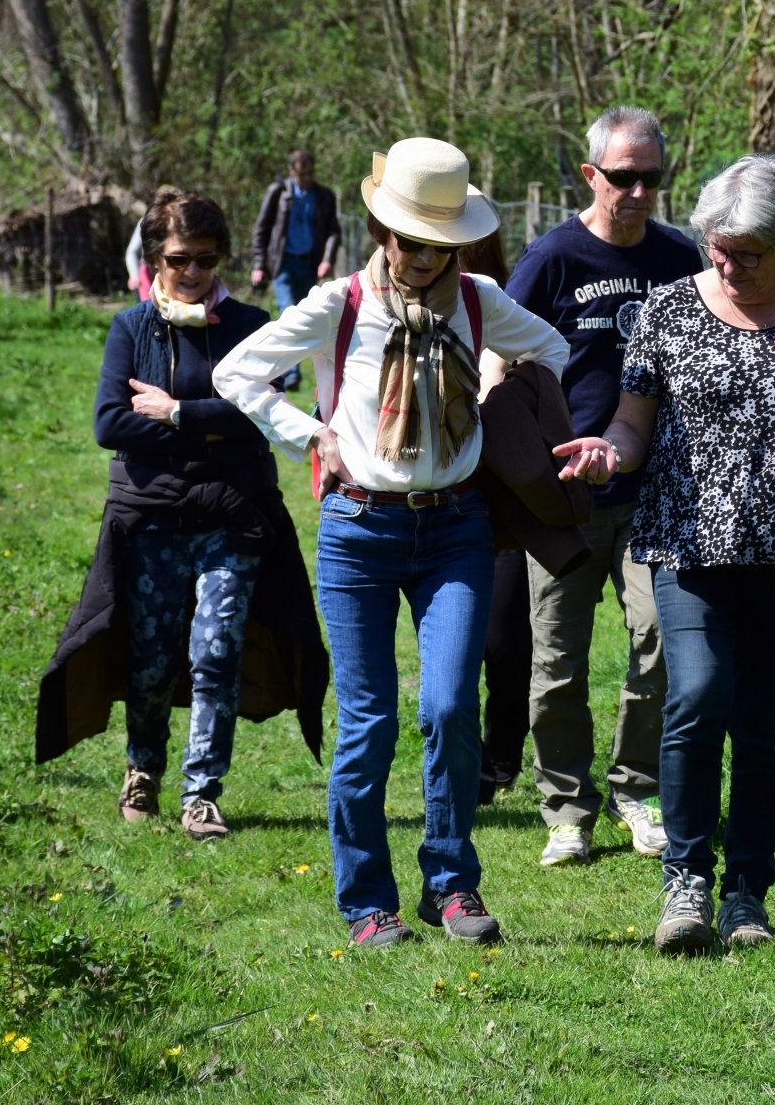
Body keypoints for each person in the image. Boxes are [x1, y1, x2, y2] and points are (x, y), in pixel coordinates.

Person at [554, 155, 775, 953]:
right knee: (697, 695)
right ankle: (685, 880)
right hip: (687, 545)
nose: (729, 265)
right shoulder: (667, 311)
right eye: (719, 248)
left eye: (748, 253)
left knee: (763, 727)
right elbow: (632, 424)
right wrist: (608, 454)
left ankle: (746, 893)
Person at [215, 138, 569, 948]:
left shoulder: (478, 301)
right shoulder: (338, 303)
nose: (422, 258)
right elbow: (235, 373)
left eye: (439, 245)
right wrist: (310, 433)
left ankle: (451, 885)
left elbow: (551, 350)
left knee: (448, 706)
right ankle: (366, 903)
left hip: (457, 528)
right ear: (383, 232)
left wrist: (495, 395)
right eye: (410, 241)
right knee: (370, 721)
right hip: (358, 531)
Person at [38, 188, 328, 841]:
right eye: (178, 259)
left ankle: (202, 793)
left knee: (217, 652)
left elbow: (266, 416)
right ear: (154, 260)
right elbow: (110, 424)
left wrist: (176, 413)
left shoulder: (252, 325)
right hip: (153, 519)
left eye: (205, 258)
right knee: (151, 658)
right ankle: (142, 768)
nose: (192, 271)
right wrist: (221, 421)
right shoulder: (131, 328)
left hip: (233, 516)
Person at [502, 106, 705, 868]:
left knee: (659, 644)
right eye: (624, 178)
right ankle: (565, 809)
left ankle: (636, 790)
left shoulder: (678, 257)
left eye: (652, 178)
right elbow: (502, 356)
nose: (639, 192)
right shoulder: (551, 259)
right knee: (557, 659)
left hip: (656, 492)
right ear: (591, 175)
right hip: (564, 497)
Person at [459, 230, 532, 805]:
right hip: (440, 497)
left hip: (503, 498)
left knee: (507, 640)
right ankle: (462, 759)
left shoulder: (509, 307)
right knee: (457, 645)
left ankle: (501, 752)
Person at [250, 150, 343, 390]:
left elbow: (334, 231)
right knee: (288, 310)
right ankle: (291, 373)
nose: (307, 177)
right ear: (291, 171)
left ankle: (298, 369)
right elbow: (262, 229)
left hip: (309, 264)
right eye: (302, 173)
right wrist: (258, 265)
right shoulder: (277, 192)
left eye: (310, 172)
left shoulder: (324, 196)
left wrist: (327, 259)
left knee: (305, 315)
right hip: (283, 263)